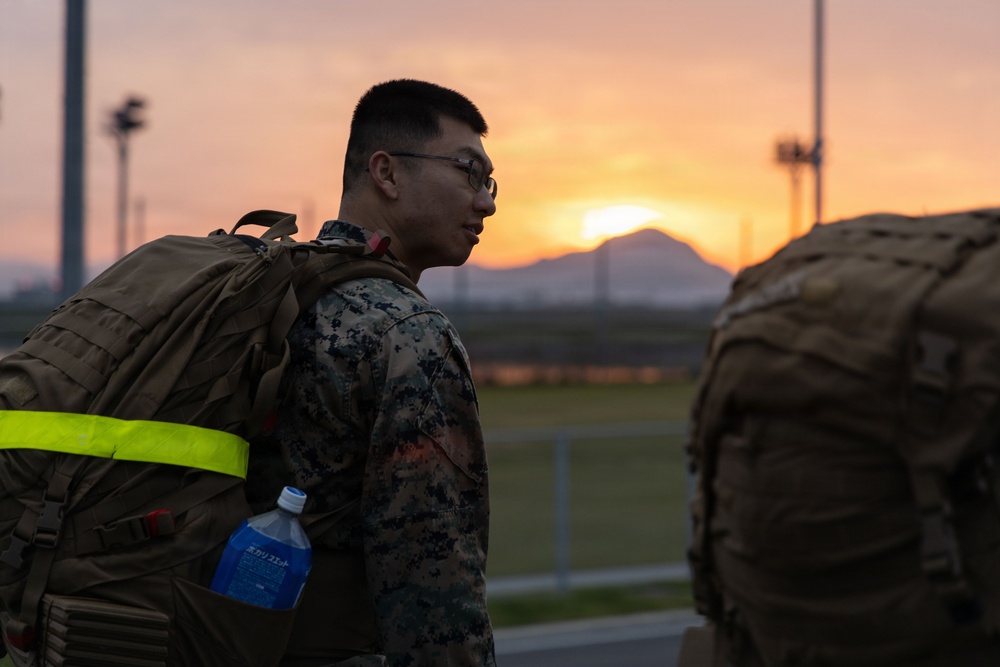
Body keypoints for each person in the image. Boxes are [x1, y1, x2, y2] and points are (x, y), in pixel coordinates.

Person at [244, 79, 498, 666]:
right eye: (468, 171)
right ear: (386, 173)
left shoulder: (268, 293)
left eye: (489, 183)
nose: (485, 201)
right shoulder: (405, 333)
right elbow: (434, 586)